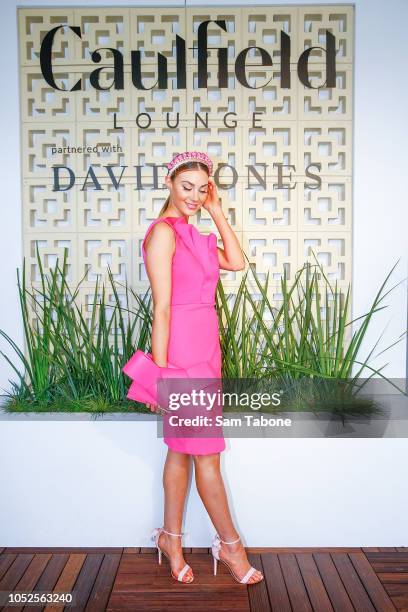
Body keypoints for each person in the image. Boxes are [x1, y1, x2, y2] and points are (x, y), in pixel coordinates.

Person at [123, 151, 264, 585]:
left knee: (181, 449)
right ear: (169, 183)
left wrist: (217, 211)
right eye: (187, 187)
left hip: (207, 350)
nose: (194, 196)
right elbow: (162, 308)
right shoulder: (163, 234)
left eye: (203, 189)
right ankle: (231, 546)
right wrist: (161, 378)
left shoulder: (197, 235)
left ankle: (171, 538)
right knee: (205, 454)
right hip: (181, 355)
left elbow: (237, 261)